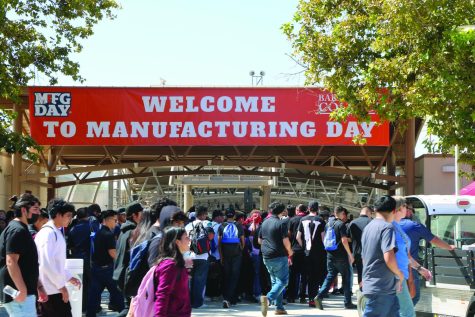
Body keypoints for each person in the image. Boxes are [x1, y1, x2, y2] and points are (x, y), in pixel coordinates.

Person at [399, 202, 455, 306]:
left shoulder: (389, 225)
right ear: (404, 209)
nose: (413, 212)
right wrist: (449, 247)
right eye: (411, 209)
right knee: (413, 298)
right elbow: (434, 240)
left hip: (392, 270)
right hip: (410, 269)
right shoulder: (414, 226)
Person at [0, 193, 47, 316]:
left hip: (24, 292)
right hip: (19, 294)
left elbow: (27, 262)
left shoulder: (21, 229)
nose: (38, 213)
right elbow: (11, 262)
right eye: (35, 209)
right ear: (23, 210)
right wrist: (21, 290)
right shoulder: (17, 230)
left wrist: (39, 287)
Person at [35, 198, 81, 317]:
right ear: (58, 215)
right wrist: (61, 286)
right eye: (68, 216)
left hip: (54, 289)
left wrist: (69, 277)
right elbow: (46, 263)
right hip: (50, 291)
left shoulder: (54, 231)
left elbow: (56, 263)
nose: (70, 219)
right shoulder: (49, 233)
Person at [361, 195, 403, 317]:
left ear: (375, 209)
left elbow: (365, 257)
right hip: (381, 287)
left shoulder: (368, 227)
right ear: (394, 211)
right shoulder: (387, 227)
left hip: (377, 285)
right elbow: (389, 257)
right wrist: (399, 275)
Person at [314, 206, 356, 310]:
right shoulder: (341, 224)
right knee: (346, 278)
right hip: (341, 256)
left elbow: (323, 238)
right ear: (342, 214)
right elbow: (344, 240)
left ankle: (319, 296)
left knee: (330, 276)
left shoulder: (328, 224)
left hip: (330, 254)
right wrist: (350, 254)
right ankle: (348, 302)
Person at [87, 209, 125, 317]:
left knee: (93, 296)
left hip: (96, 268)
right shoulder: (108, 234)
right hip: (107, 270)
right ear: (108, 220)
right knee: (117, 294)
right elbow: (113, 253)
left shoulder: (98, 232)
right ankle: (126, 313)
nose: (116, 222)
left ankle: (90, 315)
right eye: (115, 220)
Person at [259, 202, 292, 316]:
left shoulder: (264, 222)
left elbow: (260, 240)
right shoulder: (281, 223)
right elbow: (285, 241)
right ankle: (268, 299)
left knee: (275, 281)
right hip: (278, 255)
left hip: (266, 256)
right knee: (283, 281)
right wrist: (290, 251)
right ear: (282, 211)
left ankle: (279, 308)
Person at [153, 226, 192, 317]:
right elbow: (163, 294)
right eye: (186, 237)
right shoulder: (169, 265)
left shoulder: (178, 263)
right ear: (177, 242)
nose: (189, 240)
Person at [296, 200, 326, 307]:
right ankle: (312, 298)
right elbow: (323, 238)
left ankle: (302, 295)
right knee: (315, 276)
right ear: (317, 209)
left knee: (305, 275)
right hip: (317, 253)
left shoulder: (302, 219)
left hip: (305, 252)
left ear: (308, 208)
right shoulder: (321, 220)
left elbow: (298, 237)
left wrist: (303, 246)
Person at [185, 206, 211, 309]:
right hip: (203, 256)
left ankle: (188, 302)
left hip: (188, 256)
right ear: (203, 214)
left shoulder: (188, 226)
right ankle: (198, 303)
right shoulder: (206, 224)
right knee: (199, 280)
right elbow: (211, 237)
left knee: (189, 280)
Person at [218, 208, 245, 308]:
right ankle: (229, 298)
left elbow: (219, 243)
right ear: (234, 216)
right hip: (236, 254)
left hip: (225, 254)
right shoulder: (238, 225)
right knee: (234, 276)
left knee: (226, 276)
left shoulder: (222, 226)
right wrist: (241, 249)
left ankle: (226, 297)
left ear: (225, 216)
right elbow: (243, 241)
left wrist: (221, 256)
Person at [67, 207, 92, 312]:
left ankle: (79, 306)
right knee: (90, 283)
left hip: (76, 258)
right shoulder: (91, 227)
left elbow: (70, 245)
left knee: (78, 283)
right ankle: (88, 306)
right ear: (87, 216)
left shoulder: (73, 228)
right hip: (89, 258)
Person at [348, 206, 373, 289]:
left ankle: (361, 290)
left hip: (357, 253)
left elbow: (348, 239)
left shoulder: (352, 223)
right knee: (370, 273)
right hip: (370, 253)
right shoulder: (372, 222)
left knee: (360, 272)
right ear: (369, 213)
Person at [287, 204, 307, 304]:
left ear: (297, 210)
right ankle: (302, 296)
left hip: (294, 250)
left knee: (292, 274)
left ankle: (291, 296)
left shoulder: (292, 220)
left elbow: (289, 235)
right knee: (304, 275)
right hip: (306, 251)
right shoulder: (307, 219)